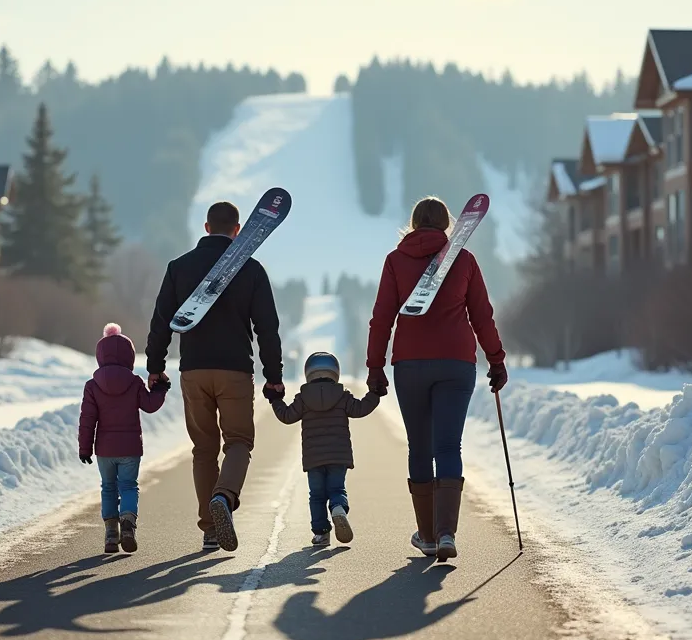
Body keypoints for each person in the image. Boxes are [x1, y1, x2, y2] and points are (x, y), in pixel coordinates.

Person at [365, 196, 508, 562]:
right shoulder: (464, 260)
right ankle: (447, 533)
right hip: (456, 364)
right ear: (447, 226)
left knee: (419, 448)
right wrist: (496, 359)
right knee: (448, 448)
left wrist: (375, 367)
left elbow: (382, 318)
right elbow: (482, 316)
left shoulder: (396, 261)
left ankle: (427, 536)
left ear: (412, 225)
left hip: (410, 365)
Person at [145, 201, 283, 552]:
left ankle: (209, 527)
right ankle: (224, 496)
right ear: (238, 230)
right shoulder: (251, 270)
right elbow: (267, 328)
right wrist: (274, 374)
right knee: (238, 442)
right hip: (235, 370)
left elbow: (161, 321)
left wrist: (155, 366)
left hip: (193, 370)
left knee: (203, 449)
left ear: (206, 228)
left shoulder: (179, 267)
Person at [266, 351, 381, 547]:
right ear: (335, 372)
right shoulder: (342, 396)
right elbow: (361, 409)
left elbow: (286, 416)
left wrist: (275, 399)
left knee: (316, 495)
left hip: (313, 458)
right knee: (337, 488)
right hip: (338, 456)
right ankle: (338, 508)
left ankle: (320, 533)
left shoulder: (303, 398)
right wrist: (375, 393)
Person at [79, 323, 170, 554]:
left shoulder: (92, 386)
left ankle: (111, 535)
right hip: (130, 448)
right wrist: (160, 389)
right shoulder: (134, 382)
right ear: (129, 356)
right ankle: (128, 524)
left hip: (105, 450)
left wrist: (85, 448)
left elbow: (87, 419)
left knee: (108, 487)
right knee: (128, 486)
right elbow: (149, 406)